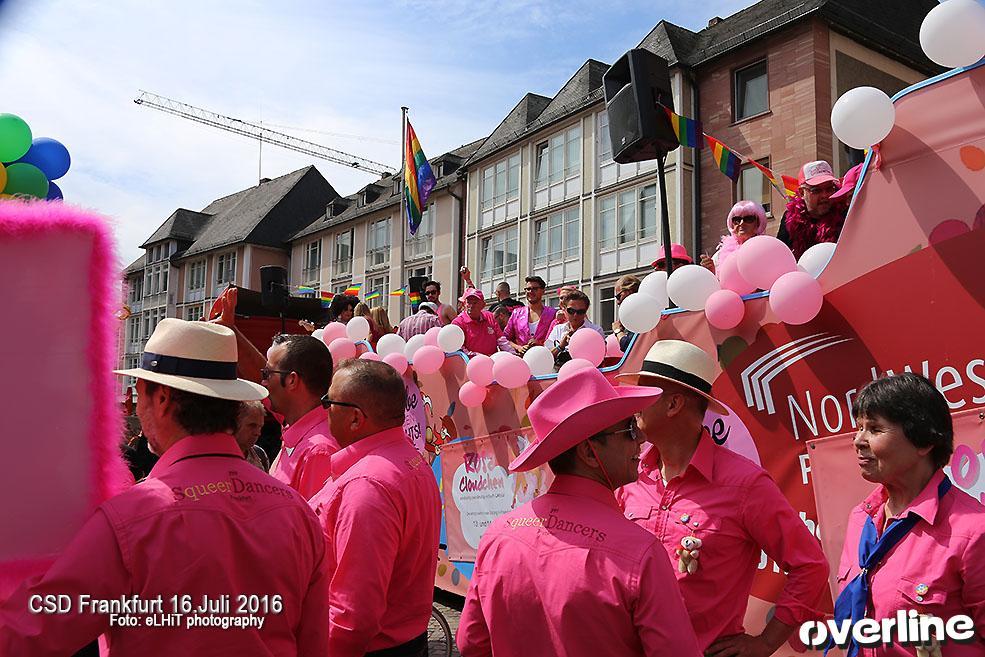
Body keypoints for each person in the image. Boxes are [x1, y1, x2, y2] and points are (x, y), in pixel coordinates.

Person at [0, 319, 330, 656]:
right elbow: (315, 643)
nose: (137, 404)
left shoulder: (131, 519)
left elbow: (31, 632)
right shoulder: (297, 511)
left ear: (162, 398)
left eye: (140, 391)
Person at [457, 367, 701, 657]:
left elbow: (471, 643)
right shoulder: (640, 553)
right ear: (588, 452)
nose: (640, 441)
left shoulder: (498, 535)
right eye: (629, 431)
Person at [615, 340, 829, 655]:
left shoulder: (744, 484)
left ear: (674, 404)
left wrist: (766, 643)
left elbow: (810, 566)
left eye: (646, 394)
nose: (635, 405)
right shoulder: (629, 476)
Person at [832, 373, 984, 656]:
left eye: (875, 429)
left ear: (924, 442)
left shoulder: (973, 531)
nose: (858, 440)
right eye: (859, 428)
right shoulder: (861, 518)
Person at [309, 360, 441, 657]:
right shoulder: (409, 459)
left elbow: (353, 617)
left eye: (328, 402)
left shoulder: (367, 485)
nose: (324, 409)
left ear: (356, 418)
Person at [263, 333, 339, 499]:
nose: (264, 382)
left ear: (291, 380)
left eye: (267, 374)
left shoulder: (318, 452)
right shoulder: (297, 431)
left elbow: (312, 523)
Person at [777, 160, 848, 259]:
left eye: (829, 189)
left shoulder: (845, 214)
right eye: (816, 190)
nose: (825, 195)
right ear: (802, 193)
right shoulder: (789, 219)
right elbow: (779, 257)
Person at [701, 200, 767, 274]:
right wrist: (711, 271)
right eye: (737, 220)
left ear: (758, 223)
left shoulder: (766, 249)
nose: (741, 223)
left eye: (748, 219)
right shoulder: (719, 255)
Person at [546, 290, 604, 367]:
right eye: (571, 311)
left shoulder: (596, 331)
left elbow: (600, 359)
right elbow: (546, 358)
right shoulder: (557, 329)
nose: (575, 315)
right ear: (564, 309)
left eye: (580, 311)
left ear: (586, 311)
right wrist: (560, 346)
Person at [452, 288, 514, 357]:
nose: (471, 306)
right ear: (465, 304)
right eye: (469, 302)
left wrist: (512, 355)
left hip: (492, 362)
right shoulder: (458, 323)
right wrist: (479, 357)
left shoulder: (489, 316)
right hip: (469, 364)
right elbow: (460, 349)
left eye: (475, 303)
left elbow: (501, 340)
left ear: (483, 305)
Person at [504, 275, 557, 355]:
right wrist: (519, 348)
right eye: (528, 289)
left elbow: (556, 340)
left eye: (535, 289)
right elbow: (505, 338)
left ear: (543, 291)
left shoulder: (552, 313)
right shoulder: (516, 313)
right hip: (522, 360)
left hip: (545, 359)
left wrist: (539, 344)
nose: (530, 291)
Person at [235, 399, 271, 470]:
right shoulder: (218, 455)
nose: (258, 433)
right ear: (235, 423)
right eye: (252, 425)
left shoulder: (260, 455)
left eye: (260, 427)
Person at [612, 274, 641, 352]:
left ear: (629, 291)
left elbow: (628, 345)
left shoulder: (639, 312)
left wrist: (617, 330)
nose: (618, 302)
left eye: (618, 296)